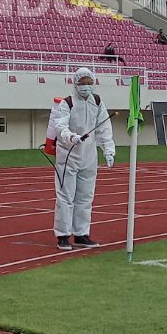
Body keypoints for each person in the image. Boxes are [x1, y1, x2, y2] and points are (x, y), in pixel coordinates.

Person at [50, 68, 115, 251]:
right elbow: (60, 126)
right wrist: (71, 137)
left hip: (89, 156)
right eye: (83, 83)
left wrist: (108, 150)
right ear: (76, 84)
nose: (86, 86)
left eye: (89, 82)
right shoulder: (67, 103)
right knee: (66, 196)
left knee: (85, 197)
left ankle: (81, 233)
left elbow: (104, 128)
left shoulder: (97, 102)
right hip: (68, 156)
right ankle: (63, 235)